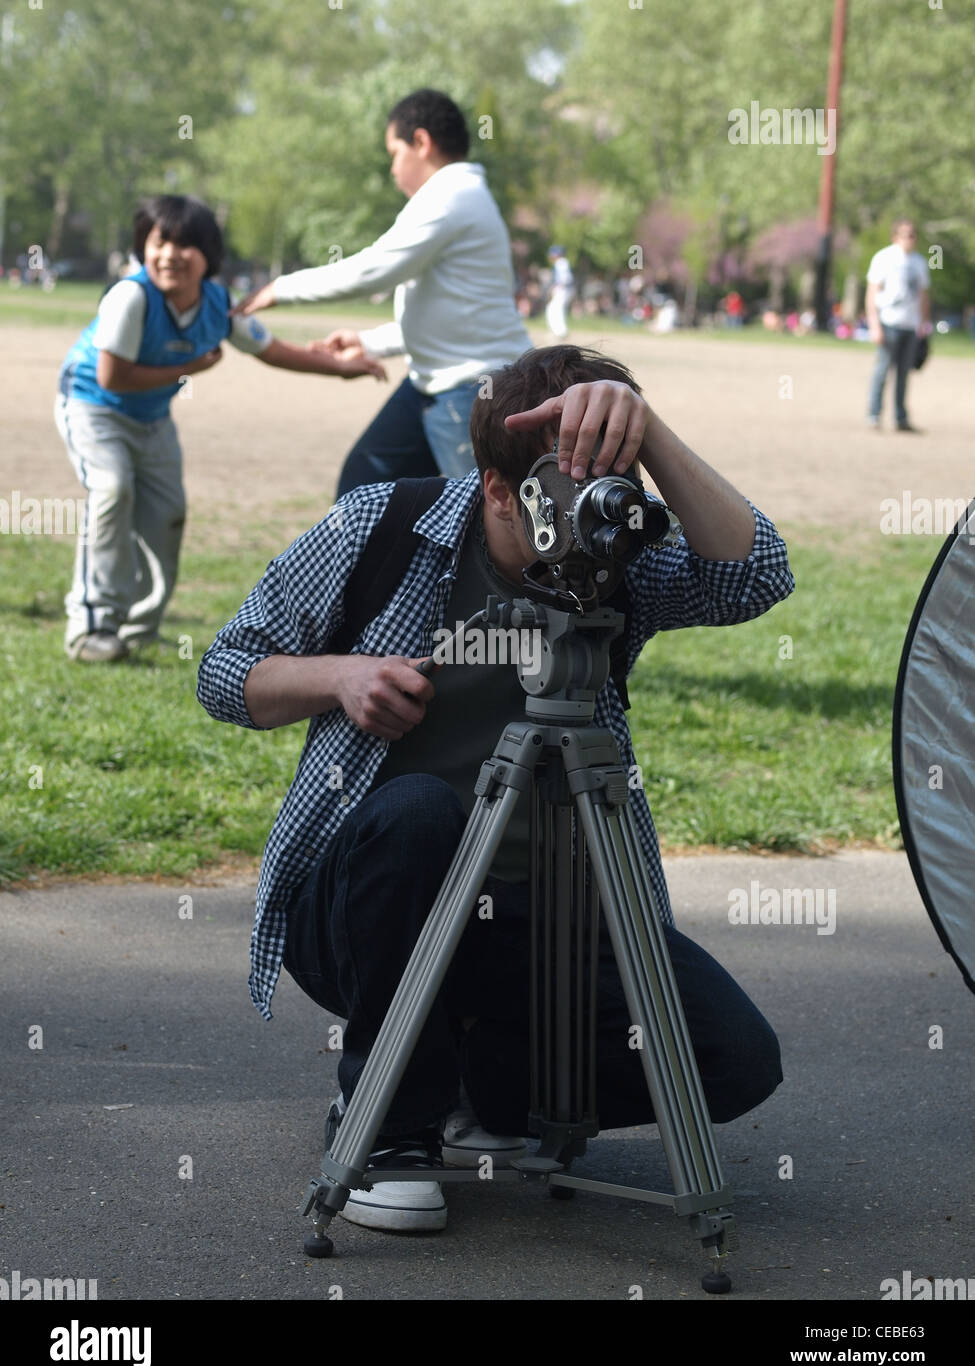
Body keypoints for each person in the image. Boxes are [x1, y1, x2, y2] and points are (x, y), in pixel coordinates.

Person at [197, 344, 795, 1234]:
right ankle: (389, 1127)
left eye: (605, 488)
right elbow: (223, 673)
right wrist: (340, 678)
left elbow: (754, 576)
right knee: (422, 812)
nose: (584, 524)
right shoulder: (380, 525)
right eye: (558, 495)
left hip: (538, 920)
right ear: (493, 490)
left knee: (734, 1056)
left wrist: (647, 426)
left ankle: (486, 1089)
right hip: (370, 904)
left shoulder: (613, 554)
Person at [56, 195, 386, 663]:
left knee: (167, 513)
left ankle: (136, 628)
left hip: (151, 417)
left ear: (209, 256)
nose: (170, 254)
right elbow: (113, 377)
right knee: (111, 491)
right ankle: (91, 629)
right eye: (160, 242)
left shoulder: (218, 304)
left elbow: (272, 349)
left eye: (186, 244)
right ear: (142, 247)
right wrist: (191, 367)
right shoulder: (130, 296)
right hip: (93, 407)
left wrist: (340, 368)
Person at [232, 89, 532, 496]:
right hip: (433, 385)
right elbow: (449, 313)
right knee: (364, 484)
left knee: (496, 521)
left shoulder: (452, 196)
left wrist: (281, 288)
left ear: (421, 143)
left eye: (394, 152)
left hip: (472, 390)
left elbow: (373, 270)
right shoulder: (459, 196)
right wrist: (369, 341)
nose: (393, 169)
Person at [865, 218, 932, 432]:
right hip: (889, 323)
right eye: (906, 234)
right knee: (882, 371)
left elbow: (923, 295)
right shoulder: (884, 258)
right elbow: (872, 293)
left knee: (904, 374)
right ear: (895, 237)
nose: (911, 238)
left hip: (910, 325)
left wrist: (923, 323)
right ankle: (874, 415)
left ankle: (900, 418)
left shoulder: (920, 262)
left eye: (913, 234)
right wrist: (874, 325)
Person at [545, 245, 575, 338]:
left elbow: (565, 278)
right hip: (563, 289)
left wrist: (555, 288)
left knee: (555, 309)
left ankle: (561, 331)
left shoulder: (561, 262)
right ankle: (558, 331)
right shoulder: (562, 262)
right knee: (553, 309)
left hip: (562, 289)